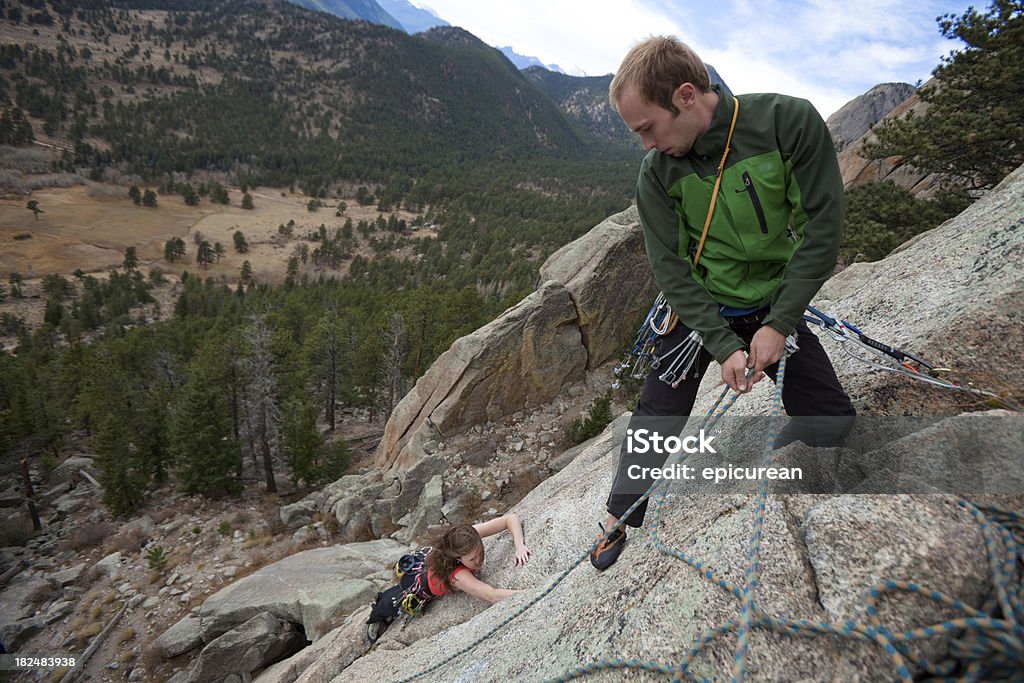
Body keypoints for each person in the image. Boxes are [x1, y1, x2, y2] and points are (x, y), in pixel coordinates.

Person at [591, 36, 856, 571]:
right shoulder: (657, 174)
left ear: (687, 96)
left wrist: (779, 323)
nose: (644, 144)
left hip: (771, 301)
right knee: (658, 411)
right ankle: (620, 515)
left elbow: (821, 229)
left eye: (647, 128)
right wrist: (720, 343)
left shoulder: (787, 123)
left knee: (833, 422)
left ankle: (797, 426)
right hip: (699, 311)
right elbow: (672, 268)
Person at [366, 513, 531, 641]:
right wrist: (531, 593)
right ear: (457, 558)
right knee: (392, 602)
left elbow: (510, 519)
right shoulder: (458, 576)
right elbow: (491, 595)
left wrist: (519, 545)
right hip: (420, 583)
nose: (479, 560)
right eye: (472, 559)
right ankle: (375, 617)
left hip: (428, 565)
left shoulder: (468, 537)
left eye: (480, 553)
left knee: (395, 593)